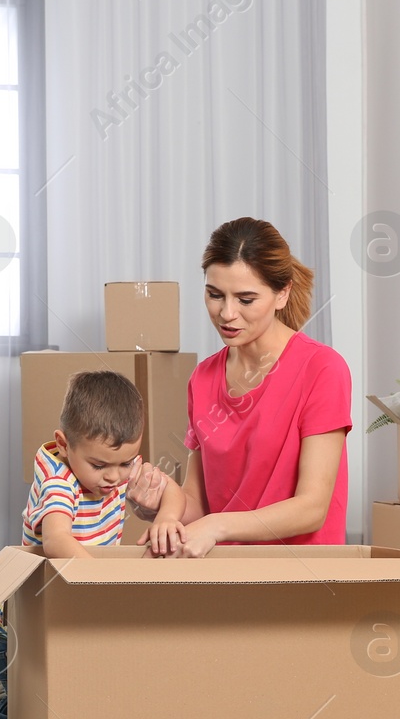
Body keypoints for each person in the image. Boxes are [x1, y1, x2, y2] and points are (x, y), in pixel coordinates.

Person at [0, 371, 183, 719]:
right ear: (64, 445)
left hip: (75, 624)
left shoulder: (120, 467)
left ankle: (2, 704)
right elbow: (58, 540)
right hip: (24, 637)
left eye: (126, 464)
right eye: (99, 465)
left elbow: (173, 492)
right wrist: (106, 586)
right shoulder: (60, 482)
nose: (114, 478)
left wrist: (166, 517)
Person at [146, 217, 351, 558]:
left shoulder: (321, 369)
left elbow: (312, 508)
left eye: (245, 299)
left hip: (303, 576)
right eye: (215, 295)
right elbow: (198, 501)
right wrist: (162, 509)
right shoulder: (203, 378)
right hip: (228, 572)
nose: (227, 313)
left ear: (281, 294)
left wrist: (217, 525)